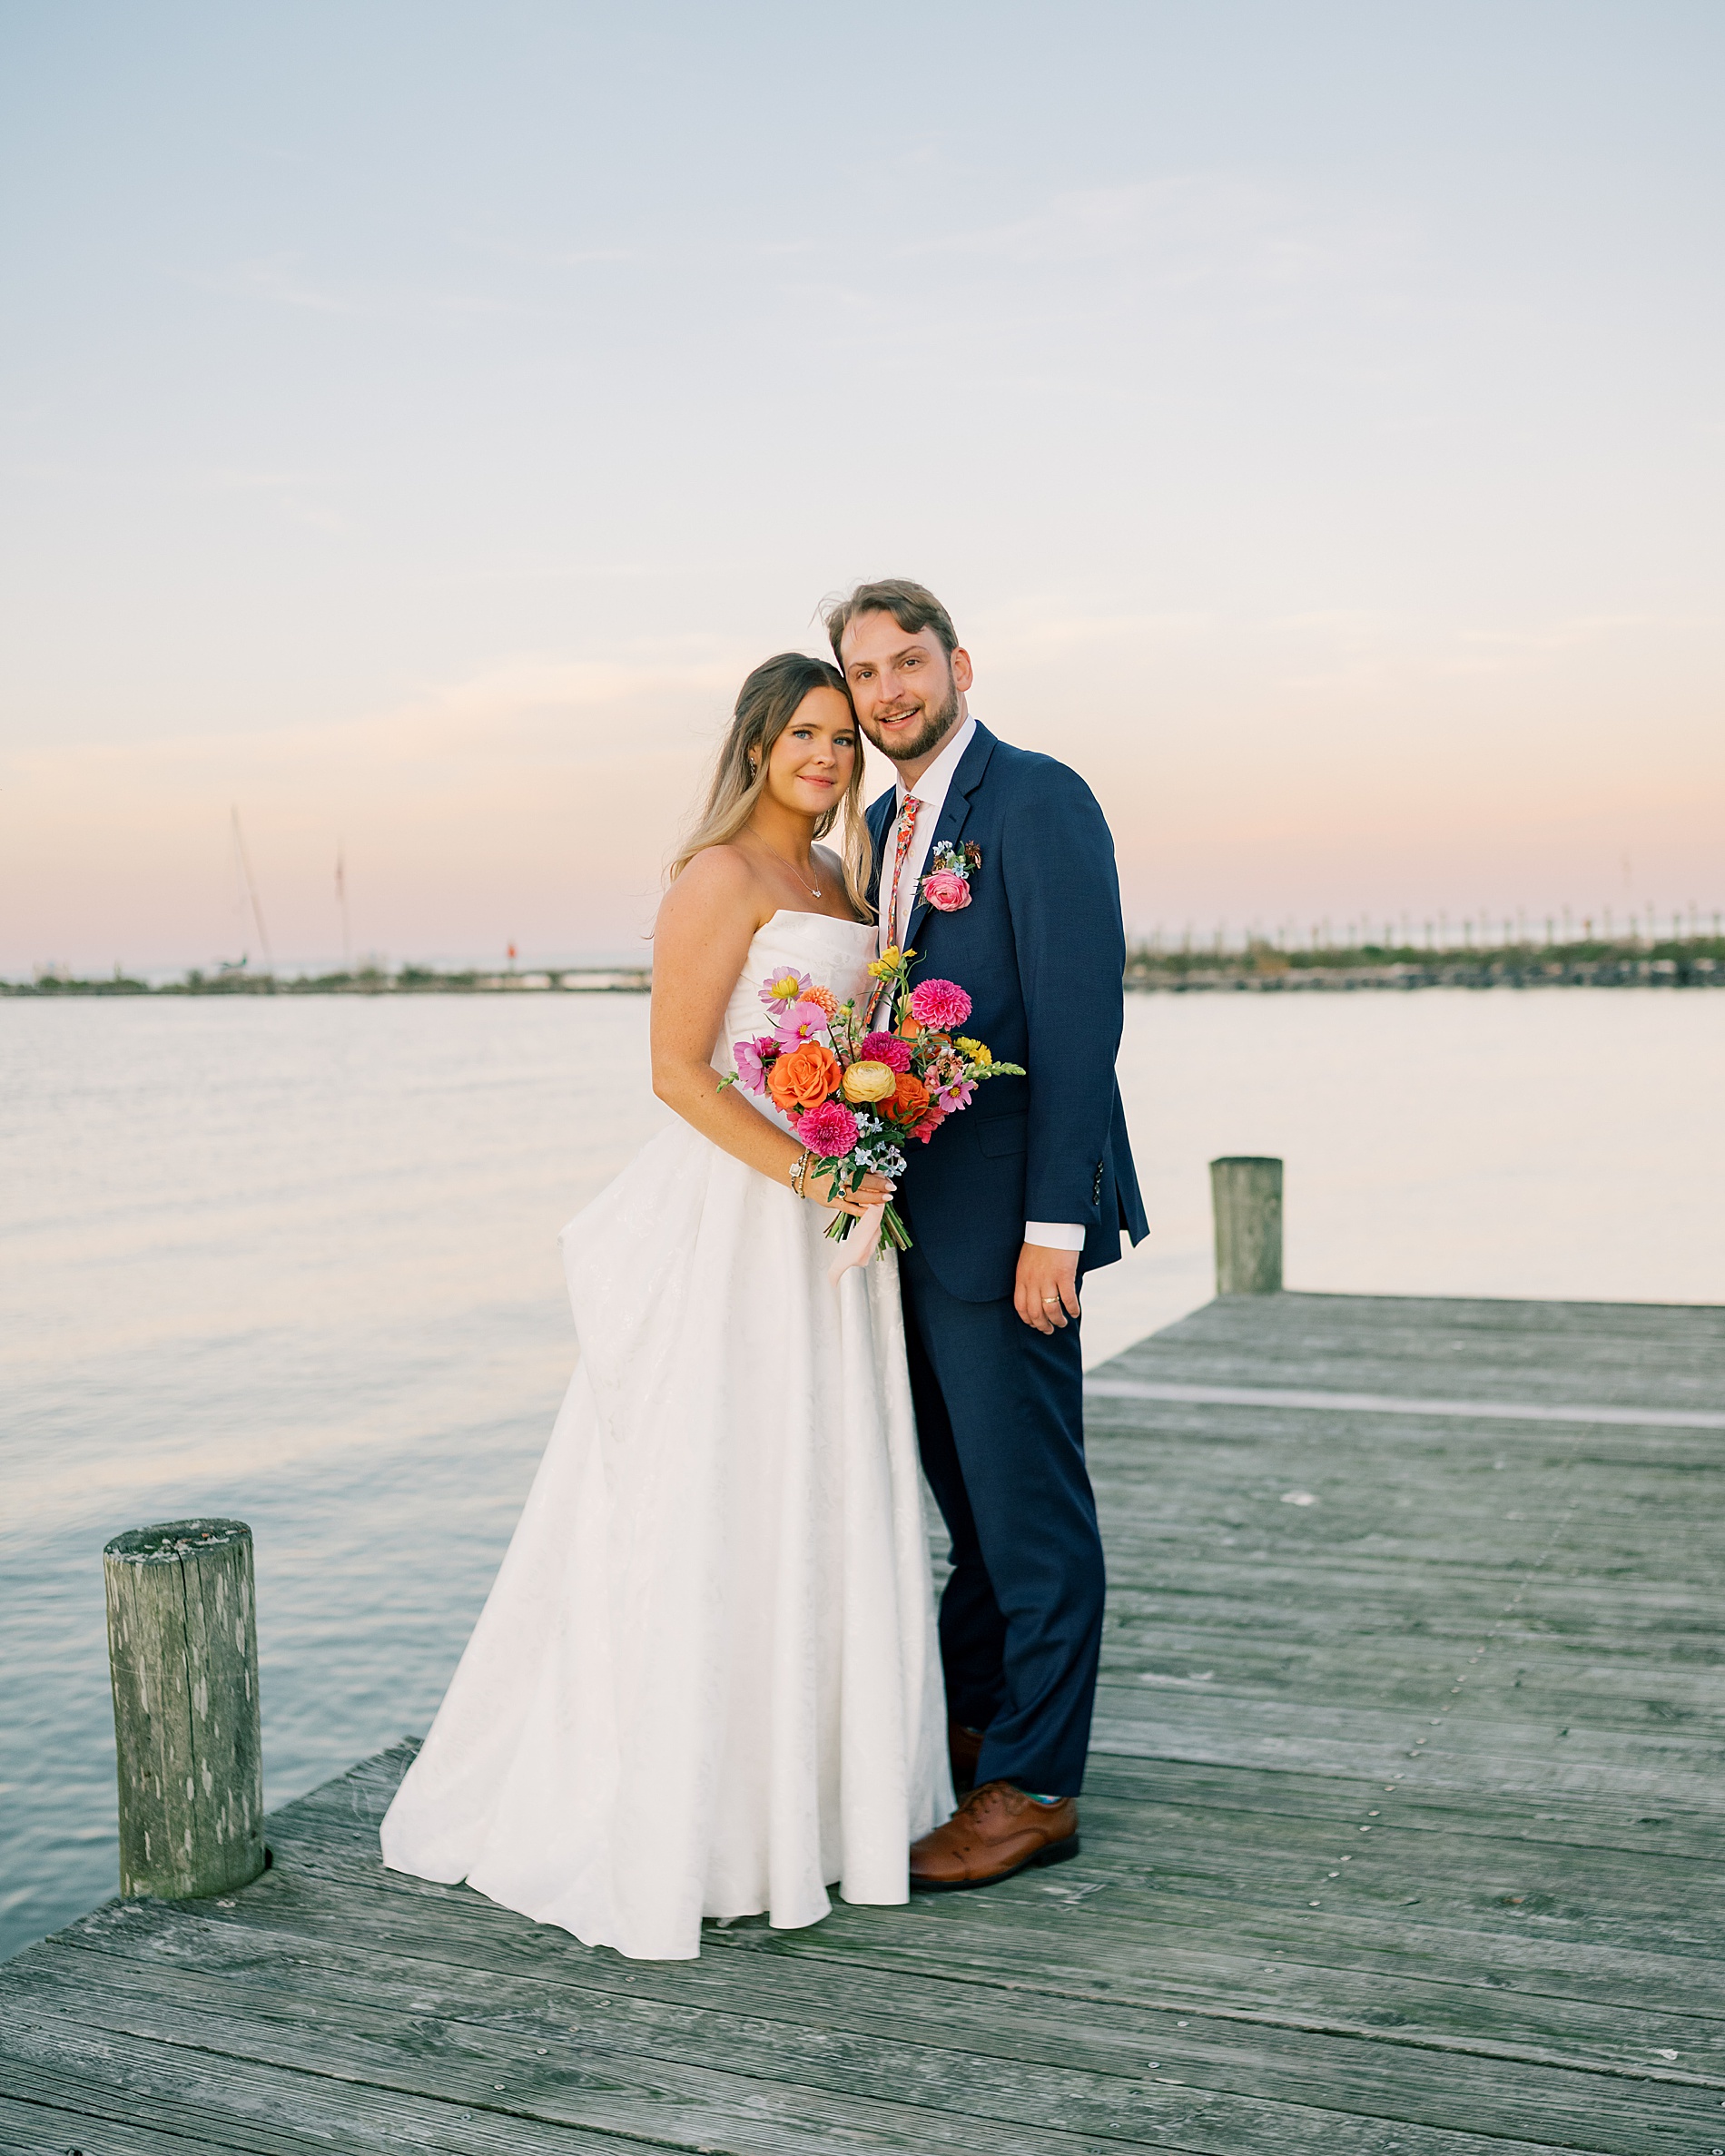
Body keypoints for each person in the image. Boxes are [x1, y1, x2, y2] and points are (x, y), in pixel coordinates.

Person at [380, 651, 951, 1959]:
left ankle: (817, 1805)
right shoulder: (719, 878)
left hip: (833, 1219)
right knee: (723, 1488)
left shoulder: (838, 878)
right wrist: (821, 1169)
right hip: (750, 1217)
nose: (827, 757)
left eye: (843, 739)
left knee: (822, 1486)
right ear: (757, 744)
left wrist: (871, 1142)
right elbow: (679, 1076)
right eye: (804, 734)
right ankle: (693, 1815)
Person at [825, 578, 1148, 1890]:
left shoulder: (1035, 798)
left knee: (1031, 1519)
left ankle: (1035, 1787)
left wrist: (1053, 1230)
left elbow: (1079, 1022)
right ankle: (975, 1728)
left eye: (909, 662)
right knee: (966, 1509)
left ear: (960, 663)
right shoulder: (882, 828)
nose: (890, 688)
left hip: (1010, 1232)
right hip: (911, 1226)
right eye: (864, 673)